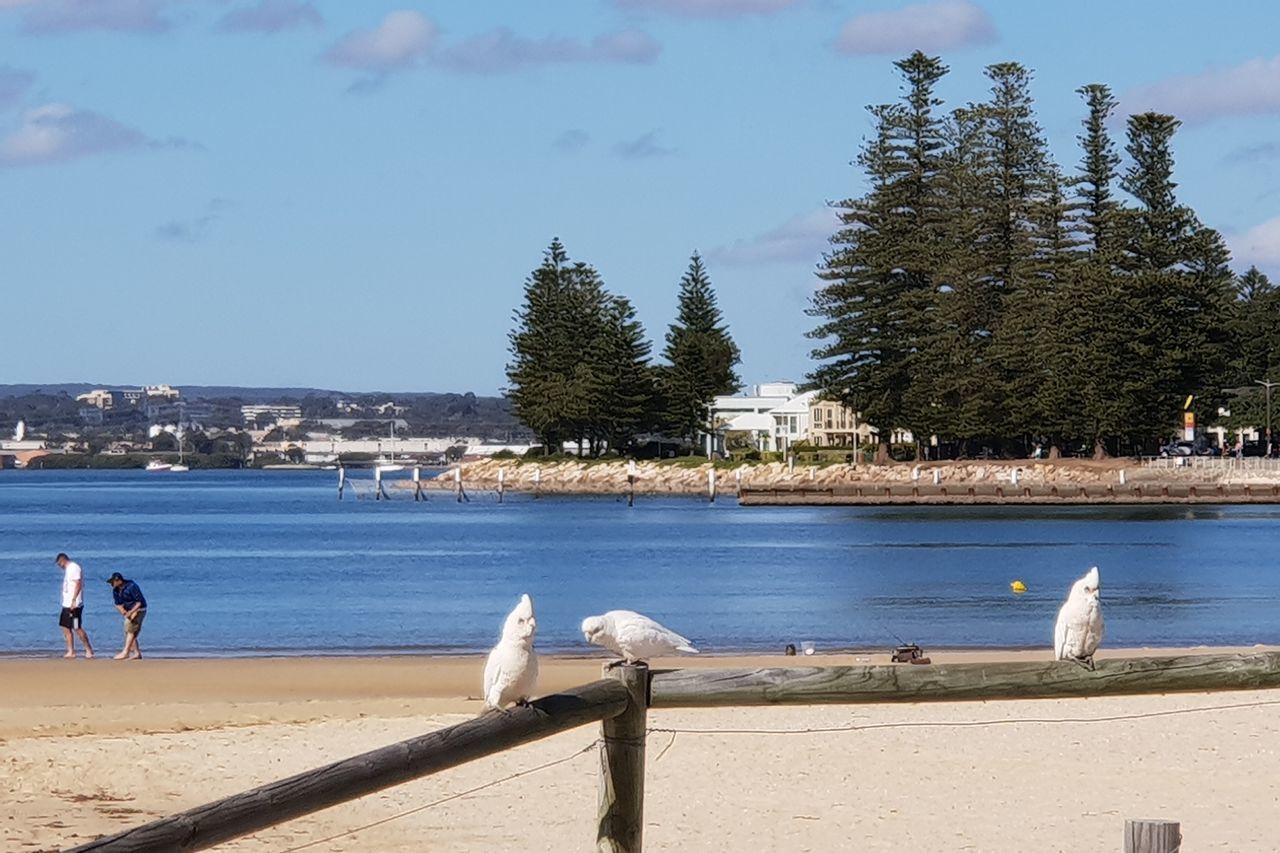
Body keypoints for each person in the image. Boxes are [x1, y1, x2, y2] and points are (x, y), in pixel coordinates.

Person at [55, 553, 94, 659]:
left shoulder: (74, 568)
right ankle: (71, 651)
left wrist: (74, 600)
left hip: (74, 605)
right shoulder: (68, 569)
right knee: (65, 627)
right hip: (66, 604)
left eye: (59, 564)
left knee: (76, 627)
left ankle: (88, 649)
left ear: (62, 561)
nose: (60, 567)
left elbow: (78, 584)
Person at [107, 572, 147, 660]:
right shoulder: (115, 590)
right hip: (128, 611)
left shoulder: (132, 587)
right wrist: (124, 612)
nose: (111, 584)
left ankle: (126, 652)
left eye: (113, 582)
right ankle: (136, 653)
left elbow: (139, 602)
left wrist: (132, 612)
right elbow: (118, 604)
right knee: (128, 631)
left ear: (118, 580)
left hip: (139, 610)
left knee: (130, 630)